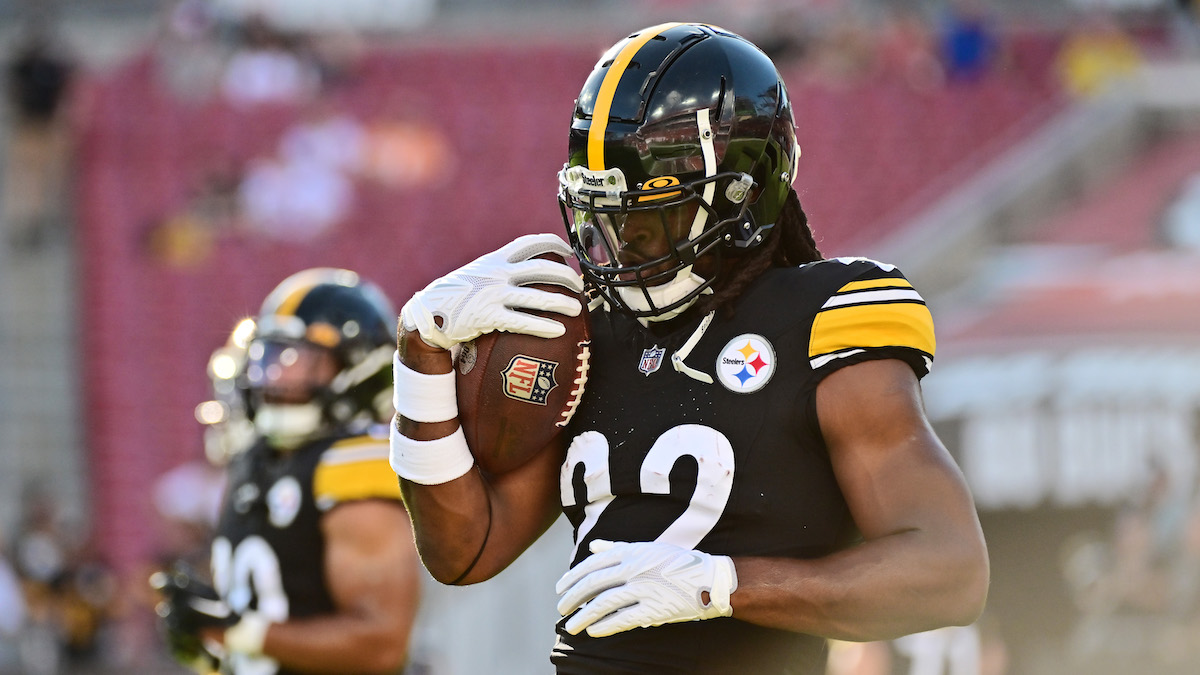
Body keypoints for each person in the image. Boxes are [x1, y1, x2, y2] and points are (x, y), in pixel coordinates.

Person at [390, 22, 989, 674]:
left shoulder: (819, 319)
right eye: (607, 216)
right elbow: (465, 551)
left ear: (744, 194)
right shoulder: (592, 336)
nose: (625, 244)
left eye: (652, 215)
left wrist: (724, 585)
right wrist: (420, 355)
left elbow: (950, 570)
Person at [153, 268, 423, 674]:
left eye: (297, 360)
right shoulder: (256, 460)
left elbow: (381, 644)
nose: (273, 376)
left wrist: (236, 632)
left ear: (358, 370)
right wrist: (207, 639)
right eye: (269, 358)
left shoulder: (350, 467)